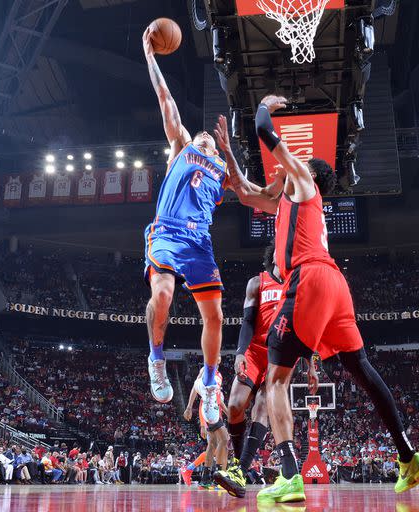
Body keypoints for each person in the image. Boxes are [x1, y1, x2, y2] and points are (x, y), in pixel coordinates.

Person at [214, 97, 419, 503]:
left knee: (277, 381)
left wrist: (263, 105)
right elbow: (245, 193)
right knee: (361, 368)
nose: (282, 168)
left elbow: (264, 130)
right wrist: (227, 152)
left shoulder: (303, 181)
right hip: (335, 285)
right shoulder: (286, 201)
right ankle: (408, 457)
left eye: (292, 165)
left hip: (310, 278)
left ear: (308, 172)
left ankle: (290, 476)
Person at [140, 26, 227, 424]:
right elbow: (166, 101)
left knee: (217, 317)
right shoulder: (183, 146)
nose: (205, 131)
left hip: (200, 243)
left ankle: (210, 384)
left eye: (211, 134)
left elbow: (252, 192)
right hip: (167, 233)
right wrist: (151, 56)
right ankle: (156, 357)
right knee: (163, 296)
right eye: (203, 131)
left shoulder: (223, 169)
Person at [215, 243, 319, 498]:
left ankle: (239, 470)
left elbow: (303, 328)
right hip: (254, 351)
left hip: (280, 354)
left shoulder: (295, 286)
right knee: (236, 405)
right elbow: (248, 322)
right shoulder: (256, 283)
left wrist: (311, 364)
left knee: (263, 403)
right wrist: (240, 353)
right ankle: (239, 465)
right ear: (272, 254)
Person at [183, 365, 229, 488]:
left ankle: (205, 478)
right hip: (209, 415)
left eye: (219, 357)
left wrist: (229, 414)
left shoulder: (219, 375)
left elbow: (219, 401)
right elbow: (198, 393)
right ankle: (218, 477)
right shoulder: (205, 370)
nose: (218, 359)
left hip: (215, 414)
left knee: (213, 446)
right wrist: (202, 424)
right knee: (223, 441)